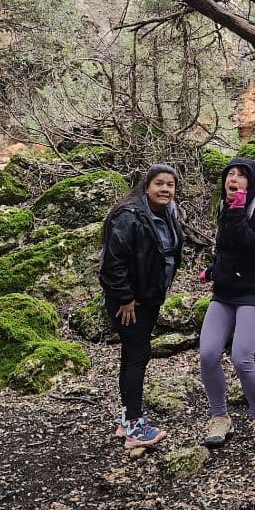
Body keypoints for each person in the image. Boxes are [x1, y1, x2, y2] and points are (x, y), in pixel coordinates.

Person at [99, 163, 182, 449]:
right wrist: (124, 297)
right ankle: (135, 427)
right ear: (146, 186)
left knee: (134, 354)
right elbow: (113, 262)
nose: (165, 189)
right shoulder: (129, 215)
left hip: (147, 297)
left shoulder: (167, 212)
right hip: (129, 302)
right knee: (137, 355)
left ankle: (126, 420)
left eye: (170, 185)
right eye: (159, 183)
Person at [199, 156, 255, 449]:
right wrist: (213, 270)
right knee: (207, 354)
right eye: (230, 174)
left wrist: (237, 211)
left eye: (241, 175)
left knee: (241, 356)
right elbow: (226, 249)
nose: (233, 179)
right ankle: (220, 417)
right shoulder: (223, 206)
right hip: (226, 290)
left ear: (251, 181)